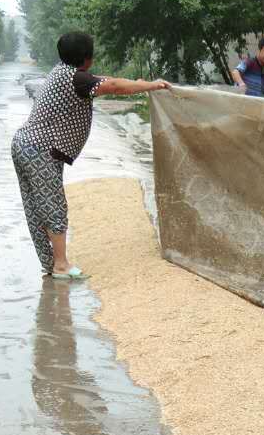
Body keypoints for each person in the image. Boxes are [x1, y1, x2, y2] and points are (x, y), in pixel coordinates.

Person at [11, 31, 170, 279]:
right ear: (87, 58)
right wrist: (151, 85)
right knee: (53, 205)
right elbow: (114, 86)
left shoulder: (61, 72)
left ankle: (51, 263)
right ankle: (61, 265)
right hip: (39, 150)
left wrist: (138, 84)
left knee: (37, 206)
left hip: (25, 145)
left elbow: (106, 80)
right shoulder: (75, 79)